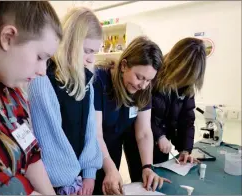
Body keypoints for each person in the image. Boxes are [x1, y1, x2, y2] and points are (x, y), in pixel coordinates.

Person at [0, 1, 62, 195]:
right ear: (7, 38)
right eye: (40, 57)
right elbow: (4, 190)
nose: (42, 71)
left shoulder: (14, 95)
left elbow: (31, 157)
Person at [28, 7, 103, 195]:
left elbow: (90, 131)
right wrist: (73, 180)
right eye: (86, 51)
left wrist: (89, 173)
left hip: (77, 180)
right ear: (71, 43)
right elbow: (49, 142)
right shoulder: (43, 80)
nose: (91, 59)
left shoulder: (87, 82)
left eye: (94, 52)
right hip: (53, 183)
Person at [93, 36, 171, 195]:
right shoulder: (99, 81)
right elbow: (95, 134)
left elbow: (143, 132)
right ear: (123, 65)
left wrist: (147, 167)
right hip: (92, 151)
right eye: (139, 77)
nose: (142, 85)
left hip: (113, 150)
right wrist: (111, 169)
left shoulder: (144, 89)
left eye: (149, 80)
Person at [124, 37, 206, 182]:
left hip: (162, 144)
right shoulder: (152, 74)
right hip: (139, 138)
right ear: (177, 63)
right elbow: (142, 114)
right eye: (183, 75)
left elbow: (186, 120)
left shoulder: (187, 87)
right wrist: (159, 136)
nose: (184, 81)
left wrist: (185, 149)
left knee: (160, 178)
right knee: (142, 180)